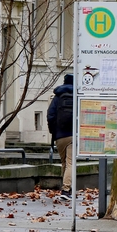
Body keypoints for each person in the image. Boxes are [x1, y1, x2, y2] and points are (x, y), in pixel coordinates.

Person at [47, 74, 74, 202]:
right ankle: (66, 189)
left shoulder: (57, 97)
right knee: (70, 163)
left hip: (60, 136)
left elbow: (50, 115)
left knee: (64, 163)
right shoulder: (78, 96)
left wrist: (54, 131)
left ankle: (67, 188)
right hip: (73, 135)